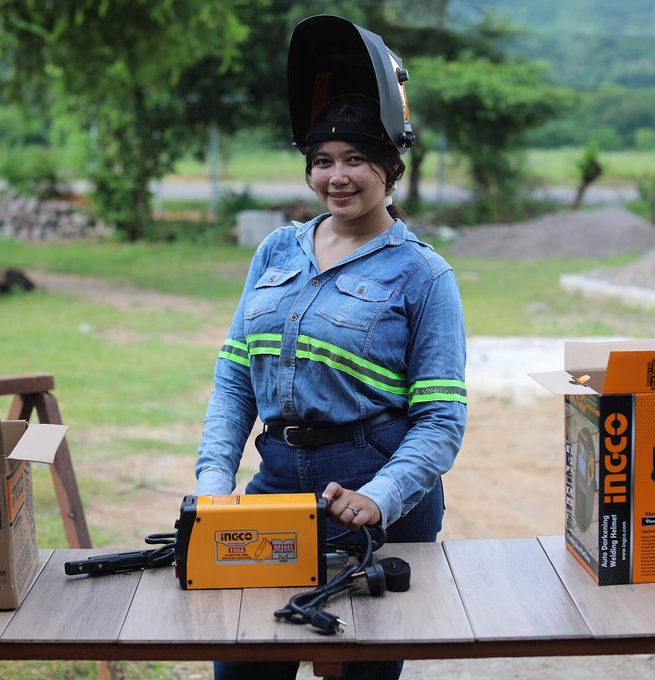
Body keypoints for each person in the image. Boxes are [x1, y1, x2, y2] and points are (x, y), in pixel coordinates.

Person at [193, 15, 467, 680]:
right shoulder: (276, 251)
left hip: (374, 499)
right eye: (322, 160)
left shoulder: (423, 275)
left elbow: (440, 419)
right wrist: (212, 483)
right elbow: (234, 379)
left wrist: (382, 495)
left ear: (390, 167)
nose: (336, 176)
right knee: (246, 663)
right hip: (277, 483)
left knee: (361, 669)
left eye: (356, 159)